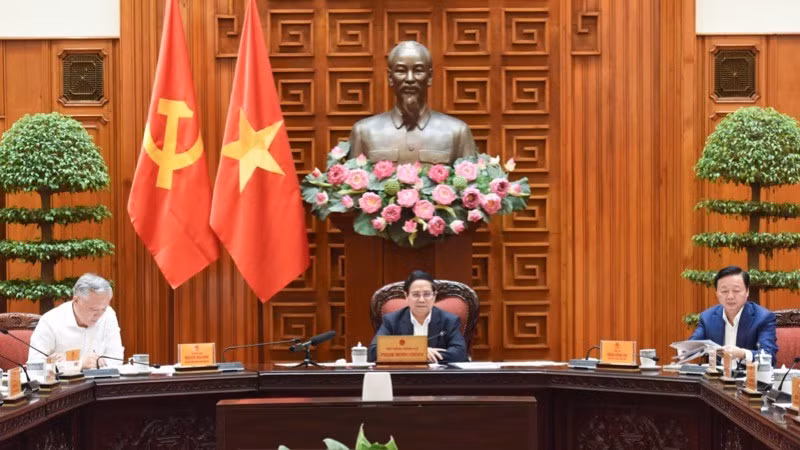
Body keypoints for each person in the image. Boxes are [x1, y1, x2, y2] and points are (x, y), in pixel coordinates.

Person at [348, 41, 477, 165]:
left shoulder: (457, 132)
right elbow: (349, 185)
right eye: (401, 71)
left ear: (430, 77)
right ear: (390, 77)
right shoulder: (364, 131)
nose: (410, 79)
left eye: (418, 70)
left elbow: (471, 185)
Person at [368, 270, 468, 363]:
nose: (421, 300)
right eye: (416, 295)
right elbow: (373, 352)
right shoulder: (392, 320)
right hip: (403, 378)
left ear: (434, 296)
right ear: (406, 296)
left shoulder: (449, 320)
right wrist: (419, 352)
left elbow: (460, 353)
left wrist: (426, 355)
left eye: (427, 294)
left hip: (438, 378)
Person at [27, 273, 123, 370]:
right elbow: (34, 366)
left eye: (103, 309)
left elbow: (116, 360)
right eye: (93, 309)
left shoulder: (108, 315)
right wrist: (78, 363)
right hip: (63, 384)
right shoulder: (50, 321)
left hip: (100, 383)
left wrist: (65, 362)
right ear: (76, 300)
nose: (99, 315)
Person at [689, 266, 778, 365]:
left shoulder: (763, 318)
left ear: (747, 292)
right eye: (724, 291)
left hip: (750, 378)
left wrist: (742, 353)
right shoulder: (707, 318)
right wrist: (683, 351)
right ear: (717, 293)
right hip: (715, 378)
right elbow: (691, 346)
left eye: (736, 291)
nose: (730, 296)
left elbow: (769, 356)